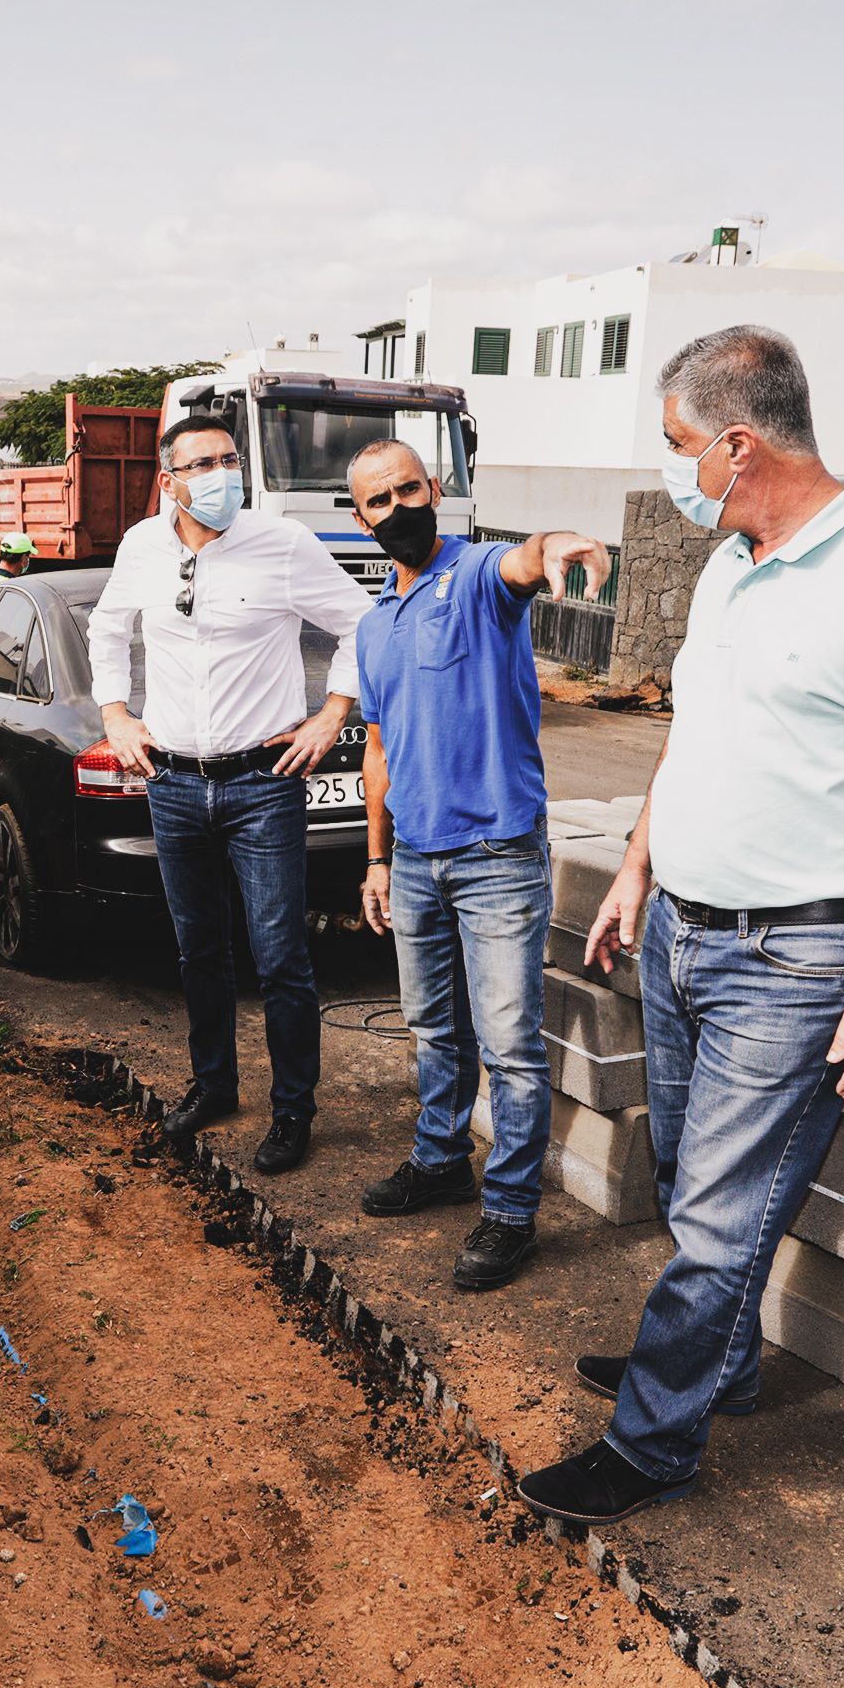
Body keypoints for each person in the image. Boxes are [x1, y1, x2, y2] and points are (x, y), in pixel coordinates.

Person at [515, 326, 844, 1527]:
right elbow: (694, 738)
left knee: (720, 1221)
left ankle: (653, 1444)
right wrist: (635, 867)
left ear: (736, 441)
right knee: (686, 1179)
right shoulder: (734, 559)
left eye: (677, 445)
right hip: (680, 929)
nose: (673, 470)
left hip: (800, 958)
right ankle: (715, 1361)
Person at [346, 437, 612, 1290]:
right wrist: (377, 860)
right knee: (432, 1030)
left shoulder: (476, 576)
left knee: (509, 1048)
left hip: (497, 854)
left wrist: (553, 544)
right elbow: (378, 752)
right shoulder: (374, 624)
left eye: (408, 490)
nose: (397, 510)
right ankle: (439, 1161)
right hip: (417, 859)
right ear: (360, 518)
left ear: (436, 488)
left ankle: (509, 1213)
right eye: (378, 502)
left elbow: (522, 563)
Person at [89, 414, 371, 1174]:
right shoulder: (143, 546)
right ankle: (213, 1086)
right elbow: (108, 629)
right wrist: (116, 714)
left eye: (229, 459)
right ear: (169, 480)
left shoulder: (282, 545)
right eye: (202, 463)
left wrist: (331, 715)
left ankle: (292, 1112)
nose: (221, 474)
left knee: (281, 956)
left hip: (262, 785)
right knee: (198, 951)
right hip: (173, 783)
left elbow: (362, 624)